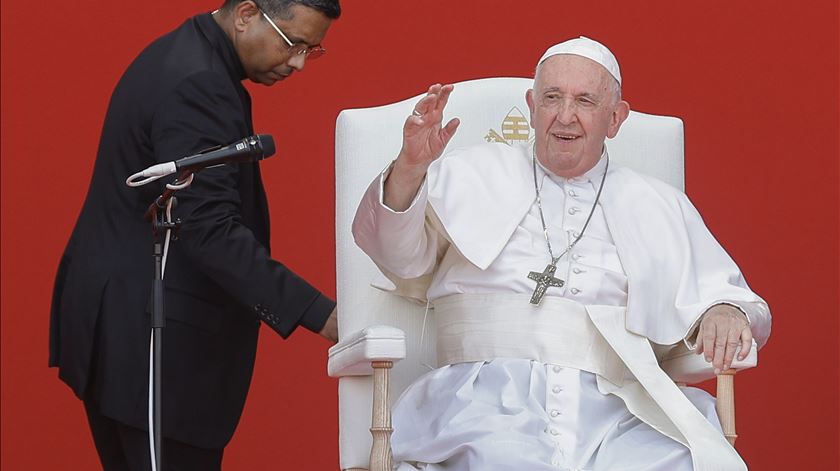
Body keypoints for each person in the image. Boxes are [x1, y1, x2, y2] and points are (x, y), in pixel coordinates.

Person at [352, 37, 771, 470]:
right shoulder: (466, 172)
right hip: (482, 401)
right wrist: (409, 169)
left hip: (619, 413)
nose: (564, 116)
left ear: (615, 118)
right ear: (532, 105)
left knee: (681, 461)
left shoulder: (659, 203)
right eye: (552, 98)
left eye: (585, 101)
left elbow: (732, 298)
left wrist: (725, 309)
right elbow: (396, 255)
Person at [49, 1, 340, 469]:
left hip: (124, 325)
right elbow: (209, 228)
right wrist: (324, 316)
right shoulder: (199, 84)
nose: (299, 63)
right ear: (247, 13)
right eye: (294, 44)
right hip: (148, 342)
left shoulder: (187, 54)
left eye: (312, 50)